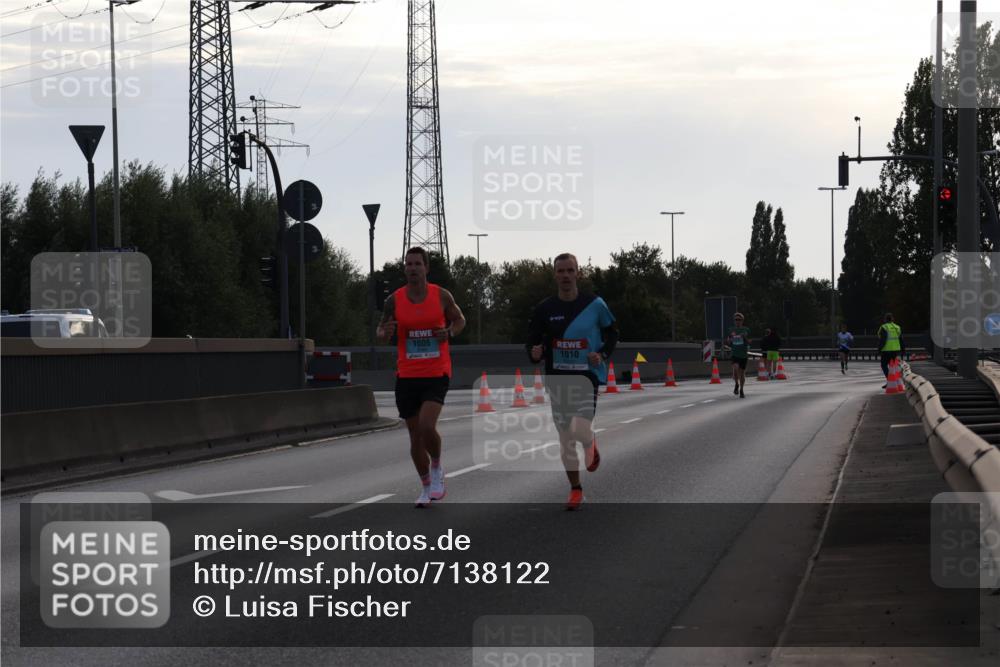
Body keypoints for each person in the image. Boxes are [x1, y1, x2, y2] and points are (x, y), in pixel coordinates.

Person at [526, 253, 618, 510]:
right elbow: (533, 340)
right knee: (565, 437)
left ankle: (589, 442)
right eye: (560, 271)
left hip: (586, 376)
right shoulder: (545, 309)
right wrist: (534, 354)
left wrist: (602, 354)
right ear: (554, 275)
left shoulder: (595, 304)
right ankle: (575, 489)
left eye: (570, 270)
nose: (565, 275)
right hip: (557, 378)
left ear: (578, 273)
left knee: (578, 427)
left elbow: (612, 332)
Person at [377, 247, 466, 507]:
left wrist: (449, 331)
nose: (412, 268)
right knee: (415, 436)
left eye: (417, 264)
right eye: (408, 264)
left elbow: (460, 320)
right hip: (406, 374)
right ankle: (426, 487)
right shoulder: (394, 300)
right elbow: (381, 331)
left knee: (427, 426)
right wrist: (384, 333)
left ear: (426, 268)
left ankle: (437, 468)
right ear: (404, 269)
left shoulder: (441, 296)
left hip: (436, 371)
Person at [725, 313, 751, 397]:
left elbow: (750, 342)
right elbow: (728, 342)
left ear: (742, 321)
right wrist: (731, 338)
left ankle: (741, 390)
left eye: (739, 320)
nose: (737, 321)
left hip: (743, 354)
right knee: (736, 368)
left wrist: (744, 337)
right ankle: (736, 383)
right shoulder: (731, 329)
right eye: (736, 320)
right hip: (734, 353)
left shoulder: (746, 329)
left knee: (742, 373)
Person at [878, 312, 904, 388]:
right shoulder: (897, 327)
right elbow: (901, 339)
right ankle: (894, 382)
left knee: (883, 365)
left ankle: (890, 381)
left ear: (885, 319)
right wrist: (903, 350)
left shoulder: (884, 327)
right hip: (895, 350)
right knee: (892, 367)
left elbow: (882, 339)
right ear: (892, 319)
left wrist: (879, 349)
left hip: (886, 350)